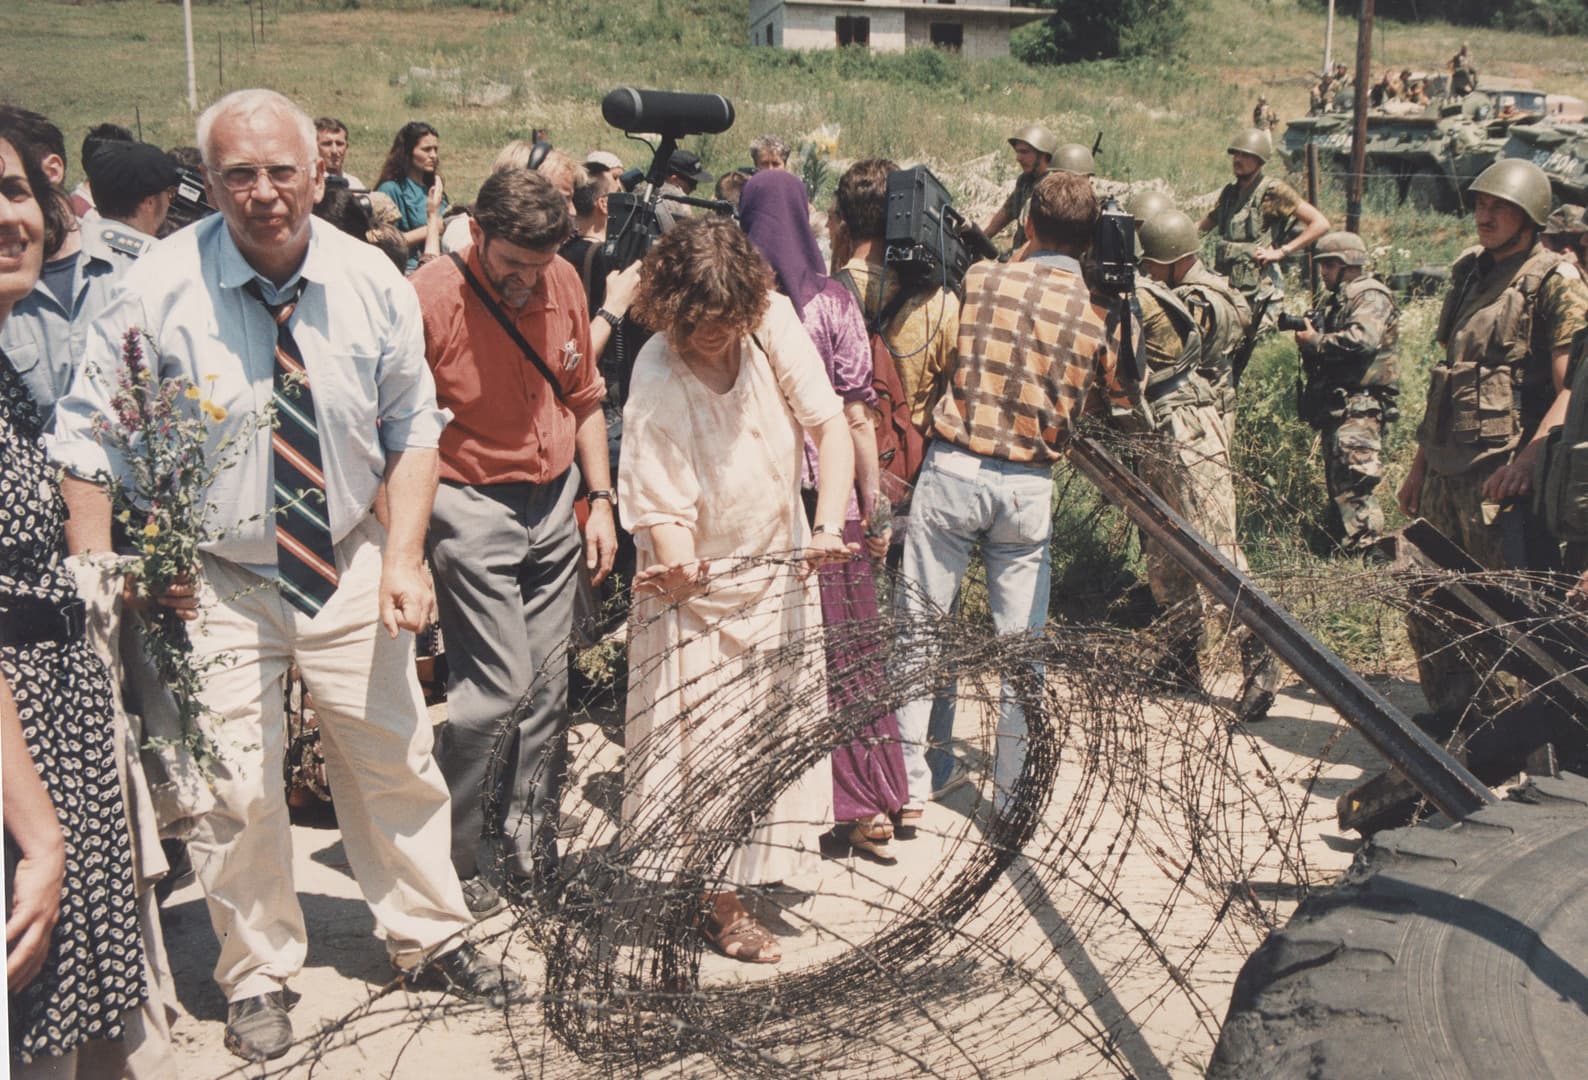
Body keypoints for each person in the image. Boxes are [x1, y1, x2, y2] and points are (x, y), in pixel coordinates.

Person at [50, 88, 522, 1063]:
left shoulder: (371, 279)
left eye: (280, 173)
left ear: (315, 174)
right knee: (237, 788)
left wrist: (401, 558)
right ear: (209, 179)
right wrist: (106, 579)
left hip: (346, 557)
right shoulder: (156, 288)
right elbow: (88, 438)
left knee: (393, 756)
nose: (263, 194)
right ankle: (257, 970)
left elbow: (412, 432)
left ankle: (428, 935)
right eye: (238, 175)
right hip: (216, 578)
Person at [618, 216, 855, 964]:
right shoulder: (657, 375)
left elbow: (831, 425)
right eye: (700, 326)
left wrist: (823, 527)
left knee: (767, 735)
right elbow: (663, 509)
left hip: (778, 567)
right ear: (671, 313)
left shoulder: (770, 321)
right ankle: (718, 903)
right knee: (704, 746)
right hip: (699, 591)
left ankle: (745, 872)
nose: (715, 339)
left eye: (727, 324)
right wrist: (680, 568)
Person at [893, 170, 1139, 817]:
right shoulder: (1099, 310)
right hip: (1028, 486)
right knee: (1019, 655)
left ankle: (906, 790)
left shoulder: (983, 279)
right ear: (1090, 239)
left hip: (954, 471)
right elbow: (1121, 398)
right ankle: (1009, 797)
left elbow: (991, 292)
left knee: (919, 631)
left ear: (1028, 223)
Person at [410, 166, 616, 914]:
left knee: (548, 691)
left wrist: (601, 499)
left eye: (540, 268)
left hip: (555, 499)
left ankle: (530, 843)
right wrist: (407, 553)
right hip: (469, 504)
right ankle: (454, 853)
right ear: (477, 234)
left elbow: (585, 398)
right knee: (490, 695)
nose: (530, 284)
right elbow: (398, 435)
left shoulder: (562, 276)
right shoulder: (431, 296)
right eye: (512, 269)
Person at [2, 127, 146, 1080]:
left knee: (59, 1029)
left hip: (57, 724)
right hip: (19, 758)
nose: (7, 215)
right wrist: (39, 831)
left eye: (11, 189)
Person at [738, 167, 907, 861]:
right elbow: (857, 416)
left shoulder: (738, 303)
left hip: (761, 504)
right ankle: (868, 801)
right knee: (853, 652)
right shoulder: (834, 301)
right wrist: (871, 505)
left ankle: (775, 807)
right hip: (830, 504)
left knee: (773, 657)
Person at [1397, 159, 1588, 719]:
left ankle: (1508, 735)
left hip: (1500, 475)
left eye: (1500, 206)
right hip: (1445, 469)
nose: (1485, 214)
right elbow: (1447, 376)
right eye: (1481, 203)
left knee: (1500, 609)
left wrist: (1529, 460)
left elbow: (1572, 390)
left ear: (1529, 216)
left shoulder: (1555, 281)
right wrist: (1417, 468)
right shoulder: (1469, 272)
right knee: (1429, 597)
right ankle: (1454, 717)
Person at [1134, 209, 1276, 719]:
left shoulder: (1201, 297)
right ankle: (1180, 659)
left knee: (1217, 549)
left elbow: (1179, 348)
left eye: (1153, 266)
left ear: (1176, 261)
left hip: (1192, 432)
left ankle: (1260, 659)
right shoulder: (1168, 288)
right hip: (1165, 428)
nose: (1146, 273)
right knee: (1166, 550)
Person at [0, 107, 130, 426]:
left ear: (52, 171)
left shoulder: (141, 263)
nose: (5, 215)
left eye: (14, 190)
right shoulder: (13, 277)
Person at [1293, 231, 1400, 555]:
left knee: (1356, 479)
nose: (1322, 272)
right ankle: (1352, 550)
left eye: (1328, 265)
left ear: (1346, 264)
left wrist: (1315, 342)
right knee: (1341, 482)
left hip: (1361, 402)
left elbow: (1361, 340)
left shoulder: (1369, 295)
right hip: (1342, 402)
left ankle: (1373, 555)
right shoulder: (1341, 297)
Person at [1198, 128, 1330, 309]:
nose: (1238, 159)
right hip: (1228, 285)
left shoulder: (1273, 191)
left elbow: (1320, 223)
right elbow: (1202, 226)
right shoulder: (1230, 193)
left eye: (1245, 155)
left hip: (1261, 290)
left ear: (1259, 160)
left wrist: (1281, 251)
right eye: (1235, 154)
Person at [82, 139, 179, 254]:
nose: (169, 202)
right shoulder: (159, 259)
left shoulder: (78, 243)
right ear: (149, 203)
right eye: (169, 194)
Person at [375, 120, 446, 270]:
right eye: (426, 149)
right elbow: (386, 242)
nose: (433, 155)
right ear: (408, 152)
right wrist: (433, 227)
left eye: (435, 149)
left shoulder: (433, 186)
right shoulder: (391, 189)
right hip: (409, 269)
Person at [982, 123, 1055, 257]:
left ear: (1043, 154)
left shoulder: (1055, 188)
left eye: (1024, 152)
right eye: (1017, 152)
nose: (1018, 158)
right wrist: (981, 238)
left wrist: (1014, 260)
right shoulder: (1026, 181)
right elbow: (1007, 212)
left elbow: (1044, 240)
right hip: (1020, 257)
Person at [314, 116, 363, 189]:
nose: (334, 151)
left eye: (339, 144)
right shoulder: (309, 184)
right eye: (327, 144)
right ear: (314, 147)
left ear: (346, 147)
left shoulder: (355, 185)